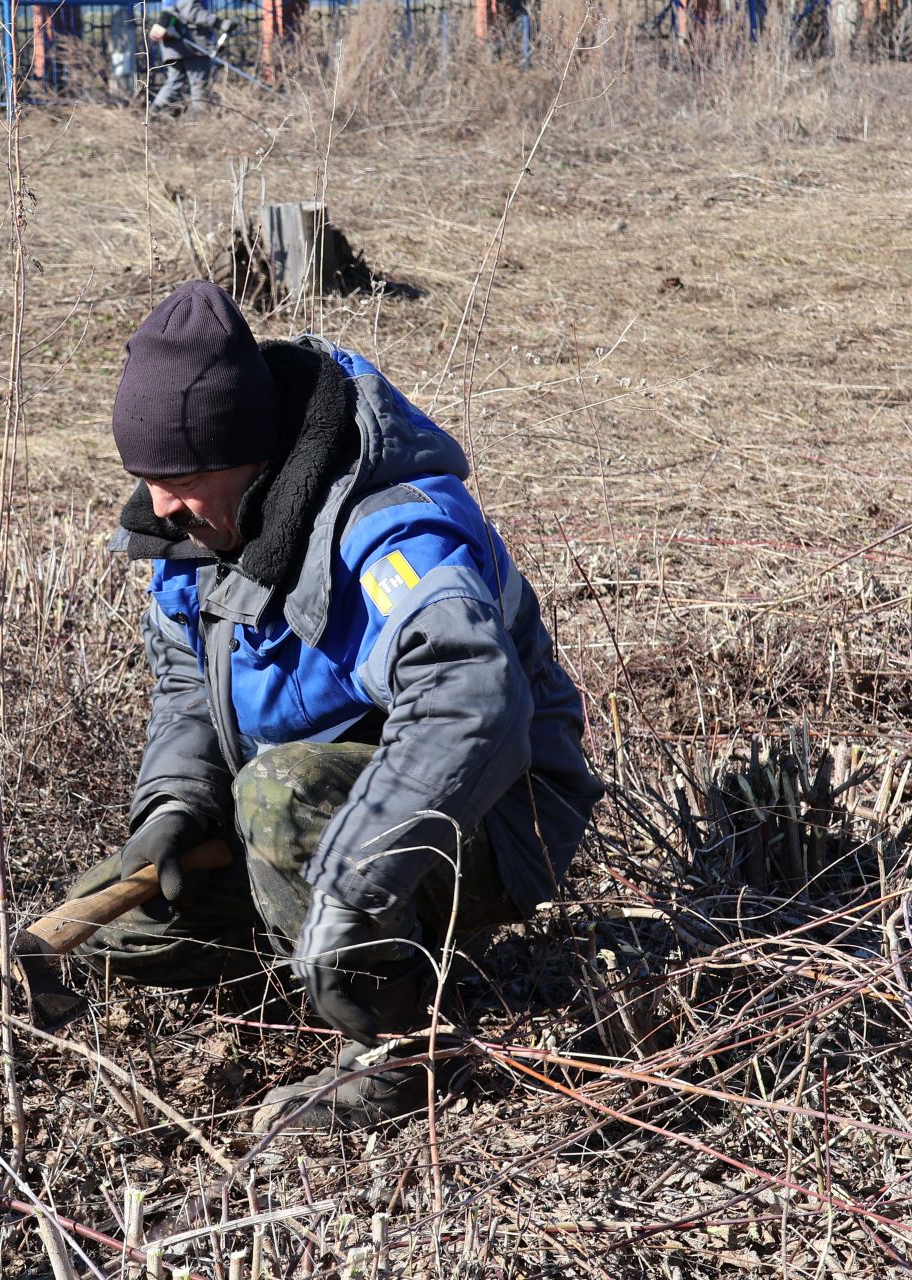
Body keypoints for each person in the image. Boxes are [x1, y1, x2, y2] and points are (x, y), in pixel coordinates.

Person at [71, 281, 603, 1132]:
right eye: (146, 478)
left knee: (278, 797)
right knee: (117, 928)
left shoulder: (393, 528)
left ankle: (396, 1058)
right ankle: (314, 951)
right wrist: (172, 805)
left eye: (183, 478)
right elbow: (188, 694)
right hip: (328, 808)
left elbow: (472, 700)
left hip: (498, 816)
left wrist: (354, 886)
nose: (159, 505)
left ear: (252, 452)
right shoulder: (196, 532)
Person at [145, 0, 226, 114]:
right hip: (192, 48)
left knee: (173, 83)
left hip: (174, 47)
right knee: (199, 85)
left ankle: (152, 116)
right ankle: (198, 122)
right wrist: (220, 22)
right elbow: (192, 11)